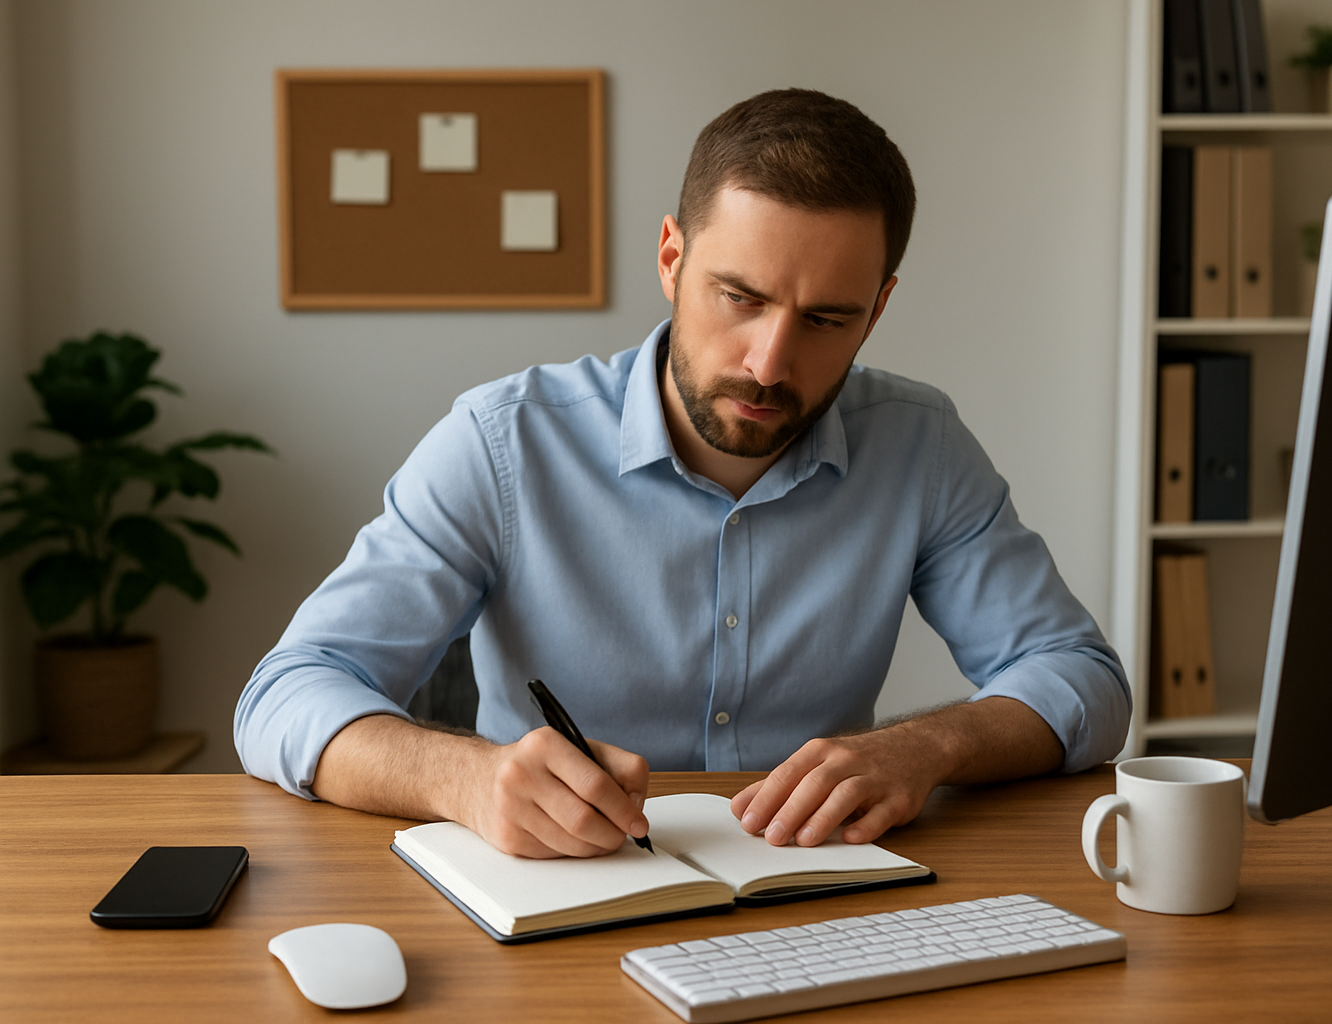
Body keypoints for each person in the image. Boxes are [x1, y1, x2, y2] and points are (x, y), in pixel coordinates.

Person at [235, 88, 1129, 860]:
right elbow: (287, 693)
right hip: (556, 892)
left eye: (826, 319)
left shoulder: (919, 446)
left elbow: (1079, 676)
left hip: (813, 901)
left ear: (879, 307)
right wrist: (465, 778)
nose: (769, 363)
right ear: (671, 258)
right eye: (740, 298)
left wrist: (928, 746)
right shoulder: (502, 443)